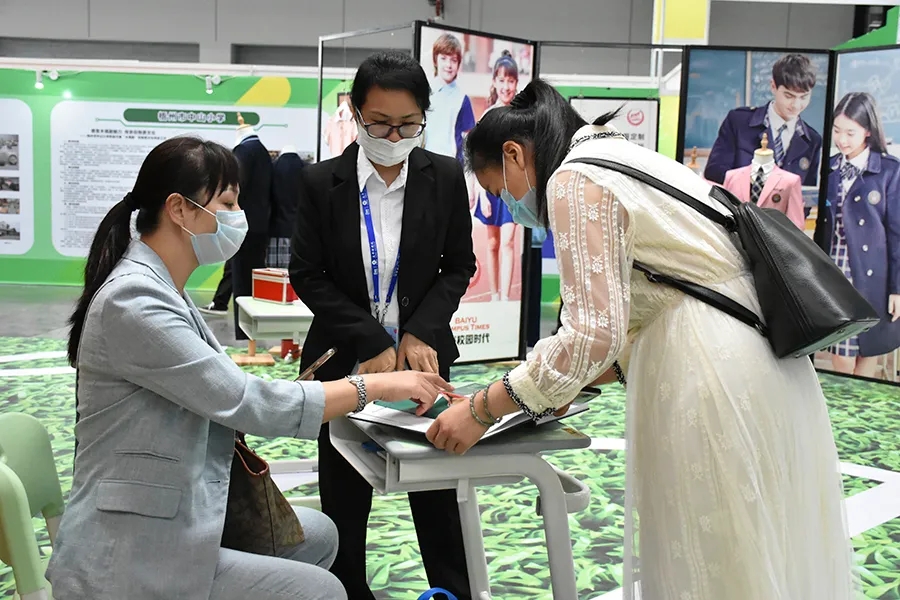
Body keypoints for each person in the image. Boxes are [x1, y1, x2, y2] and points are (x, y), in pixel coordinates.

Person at [426, 80, 857, 600]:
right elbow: (650, 307)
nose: (509, 205)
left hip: (710, 369)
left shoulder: (574, 178)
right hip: (755, 357)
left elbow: (592, 334)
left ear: (514, 155)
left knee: (713, 555)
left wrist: (481, 409)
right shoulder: (619, 156)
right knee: (752, 545)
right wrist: (556, 386)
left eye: (500, 191)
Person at [47, 136, 452, 600]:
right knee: (322, 590)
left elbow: (223, 388)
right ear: (179, 209)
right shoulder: (134, 300)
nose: (239, 216)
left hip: (170, 508)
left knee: (320, 535)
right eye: (227, 203)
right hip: (132, 547)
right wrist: (373, 385)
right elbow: (245, 400)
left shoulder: (161, 287)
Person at [289, 51, 476, 600]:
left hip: (423, 361)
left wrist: (419, 330)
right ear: (355, 111)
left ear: (424, 117)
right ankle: (347, 591)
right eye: (379, 123)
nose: (394, 137)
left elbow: (458, 265)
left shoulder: (444, 176)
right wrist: (369, 338)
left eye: (408, 124)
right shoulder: (320, 182)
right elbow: (307, 273)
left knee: (437, 490)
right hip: (347, 361)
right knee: (344, 498)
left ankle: (453, 591)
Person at [821, 91, 900, 378]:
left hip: (874, 276)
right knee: (841, 356)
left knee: (869, 350)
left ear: (868, 131)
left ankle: (857, 401)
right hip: (835, 270)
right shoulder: (829, 167)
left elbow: (897, 235)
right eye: (837, 130)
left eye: (850, 133)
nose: (841, 139)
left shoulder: (889, 170)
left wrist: (897, 289)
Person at [704, 53, 823, 188]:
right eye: (789, 96)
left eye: (804, 97)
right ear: (773, 86)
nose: (796, 105)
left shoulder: (813, 140)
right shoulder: (738, 122)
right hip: (740, 201)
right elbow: (713, 173)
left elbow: (806, 194)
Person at [473, 51, 521, 302]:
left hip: (513, 188)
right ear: (494, 82)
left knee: (509, 242)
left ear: (516, 83)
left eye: (510, 81)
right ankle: (493, 296)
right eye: (502, 80)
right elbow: (478, 158)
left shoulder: (523, 116)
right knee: (492, 243)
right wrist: (482, 194)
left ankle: (504, 299)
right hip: (491, 188)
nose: (506, 86)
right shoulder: (488, 116)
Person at [424, 32, 476, 163]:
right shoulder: (424, 91)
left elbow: (468, 138)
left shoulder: (462, 99)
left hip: (450, 164)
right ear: (435, 60)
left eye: (453, 60)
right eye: (443, 58)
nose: (448, 65)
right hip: (424, 161)